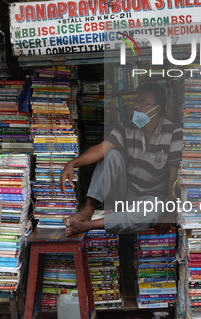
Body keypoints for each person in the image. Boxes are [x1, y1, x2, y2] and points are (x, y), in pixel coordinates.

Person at [61, 82, 183, 236]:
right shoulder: (126, 127)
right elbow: (100, 149)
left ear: (157, 109)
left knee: (150, 211)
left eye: (143, 102)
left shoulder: (173, 131)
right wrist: (72, 164)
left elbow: (174, 175)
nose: (136, 106)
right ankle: (87, 211)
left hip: (152, 198)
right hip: (125, 191)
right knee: (111, 155)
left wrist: (169, 213)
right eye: (136, 101)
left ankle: (88, 225)